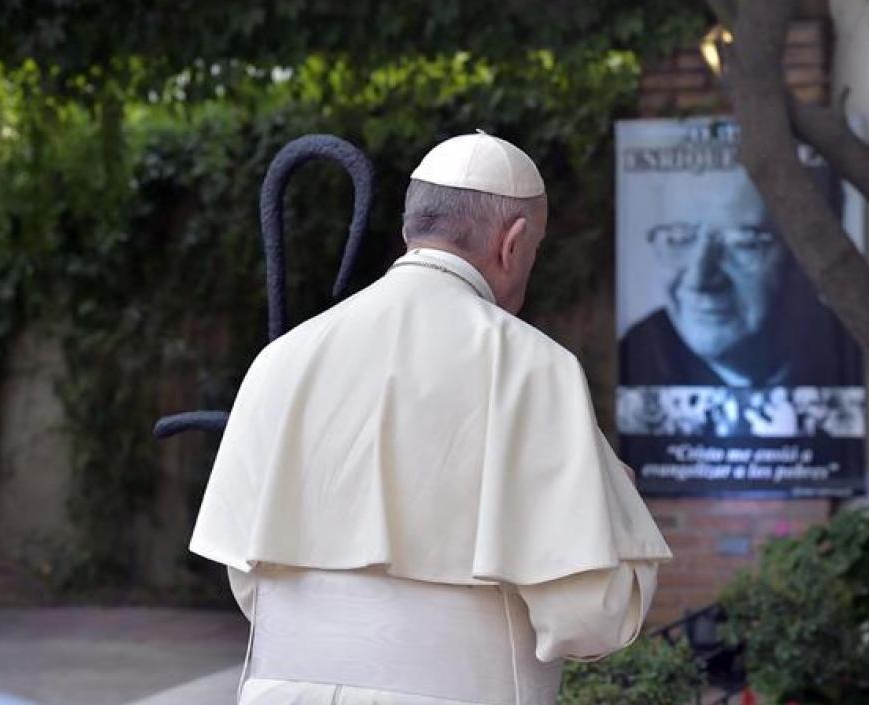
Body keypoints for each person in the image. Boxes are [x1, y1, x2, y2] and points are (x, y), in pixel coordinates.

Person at [189, 133, 672, 705]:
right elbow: (590, 616)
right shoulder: (532, 367)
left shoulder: (284, 357)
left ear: (409, 230)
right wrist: (616, 508)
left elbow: (249, 580)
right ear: (514, 243)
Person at [618, 167, 855, 388]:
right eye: (676, 239)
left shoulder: (855, 356)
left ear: (810, 259)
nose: (698, 279)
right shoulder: (636, 356)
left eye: (743, 243)